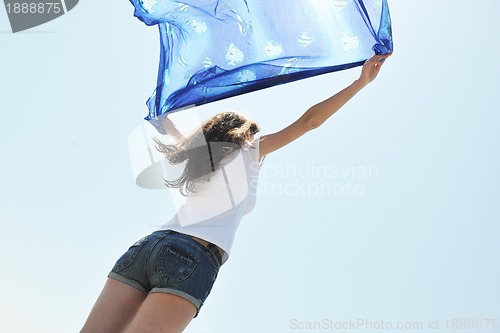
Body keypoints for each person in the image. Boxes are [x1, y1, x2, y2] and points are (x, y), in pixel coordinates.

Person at [80, 53, 390, 333]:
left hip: (148, 246)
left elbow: (168, 121)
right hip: (191, 256)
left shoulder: (196, 153)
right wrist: (359, 83)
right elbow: (311, 121)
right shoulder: (250, 150)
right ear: (244, 134)